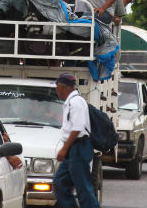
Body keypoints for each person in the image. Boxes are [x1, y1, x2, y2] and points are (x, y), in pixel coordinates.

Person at [53, 72, 100, 208]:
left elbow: (78, 128)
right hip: (73, 149)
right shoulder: (70, 102)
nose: (57, 90)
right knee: (59, 183)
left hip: (78, 147)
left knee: (83, 187)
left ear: (64, 87)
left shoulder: (76, 102)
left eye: (57, 87)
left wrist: (64, 148)